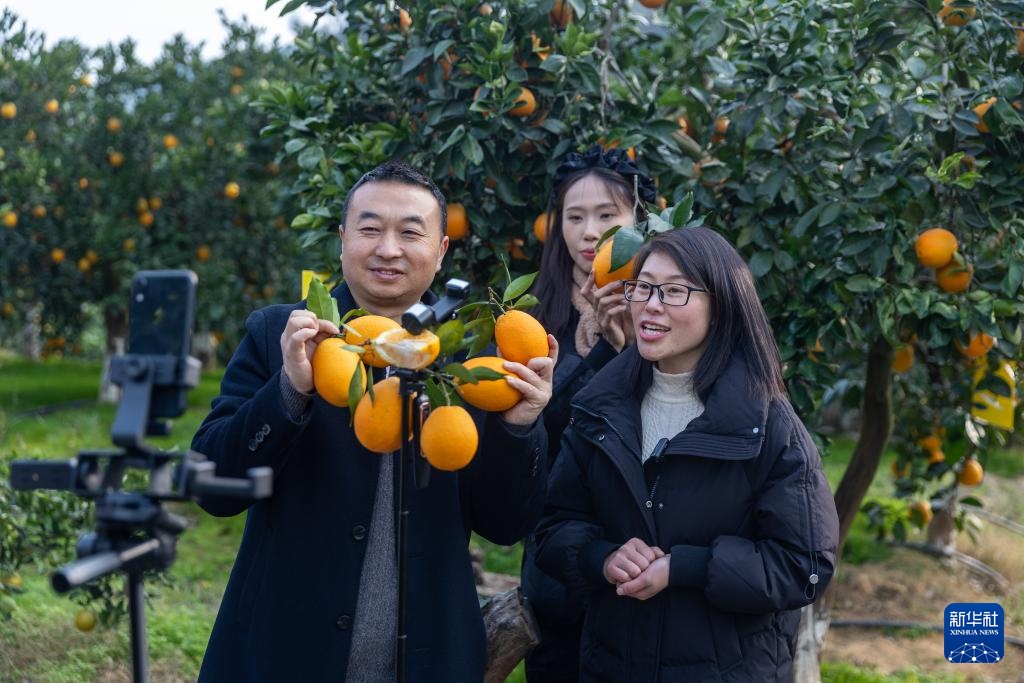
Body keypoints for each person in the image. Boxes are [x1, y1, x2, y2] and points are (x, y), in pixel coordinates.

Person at [192, 161, 557, 682]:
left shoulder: (475, 360)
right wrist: (290, 391)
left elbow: (505, 526)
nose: (388, 248)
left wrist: (520, 426)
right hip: (286, 652)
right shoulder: (283, 337)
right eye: (369, 229)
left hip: (426, 658)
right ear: (343, 240)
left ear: (440, 250)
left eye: (410, 232)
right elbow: (214, 487)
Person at [535, 227, 840, 681]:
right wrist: (602, 556)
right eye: (642, 287)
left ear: (722, 307)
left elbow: (804, 565)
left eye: (675, 291)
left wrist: (684, 567)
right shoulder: (601, 407)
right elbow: (552, 529)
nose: (651, 304)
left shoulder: (766, 423)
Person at [522, 145, 657, 682]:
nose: (589, 232)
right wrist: (600, 353)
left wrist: (629, 351)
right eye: (574, 217)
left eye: (608, 217)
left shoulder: (671, 308)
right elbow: (540, 431)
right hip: (559, 557)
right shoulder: (534, 313)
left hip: (642, 554)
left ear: (638, 223)